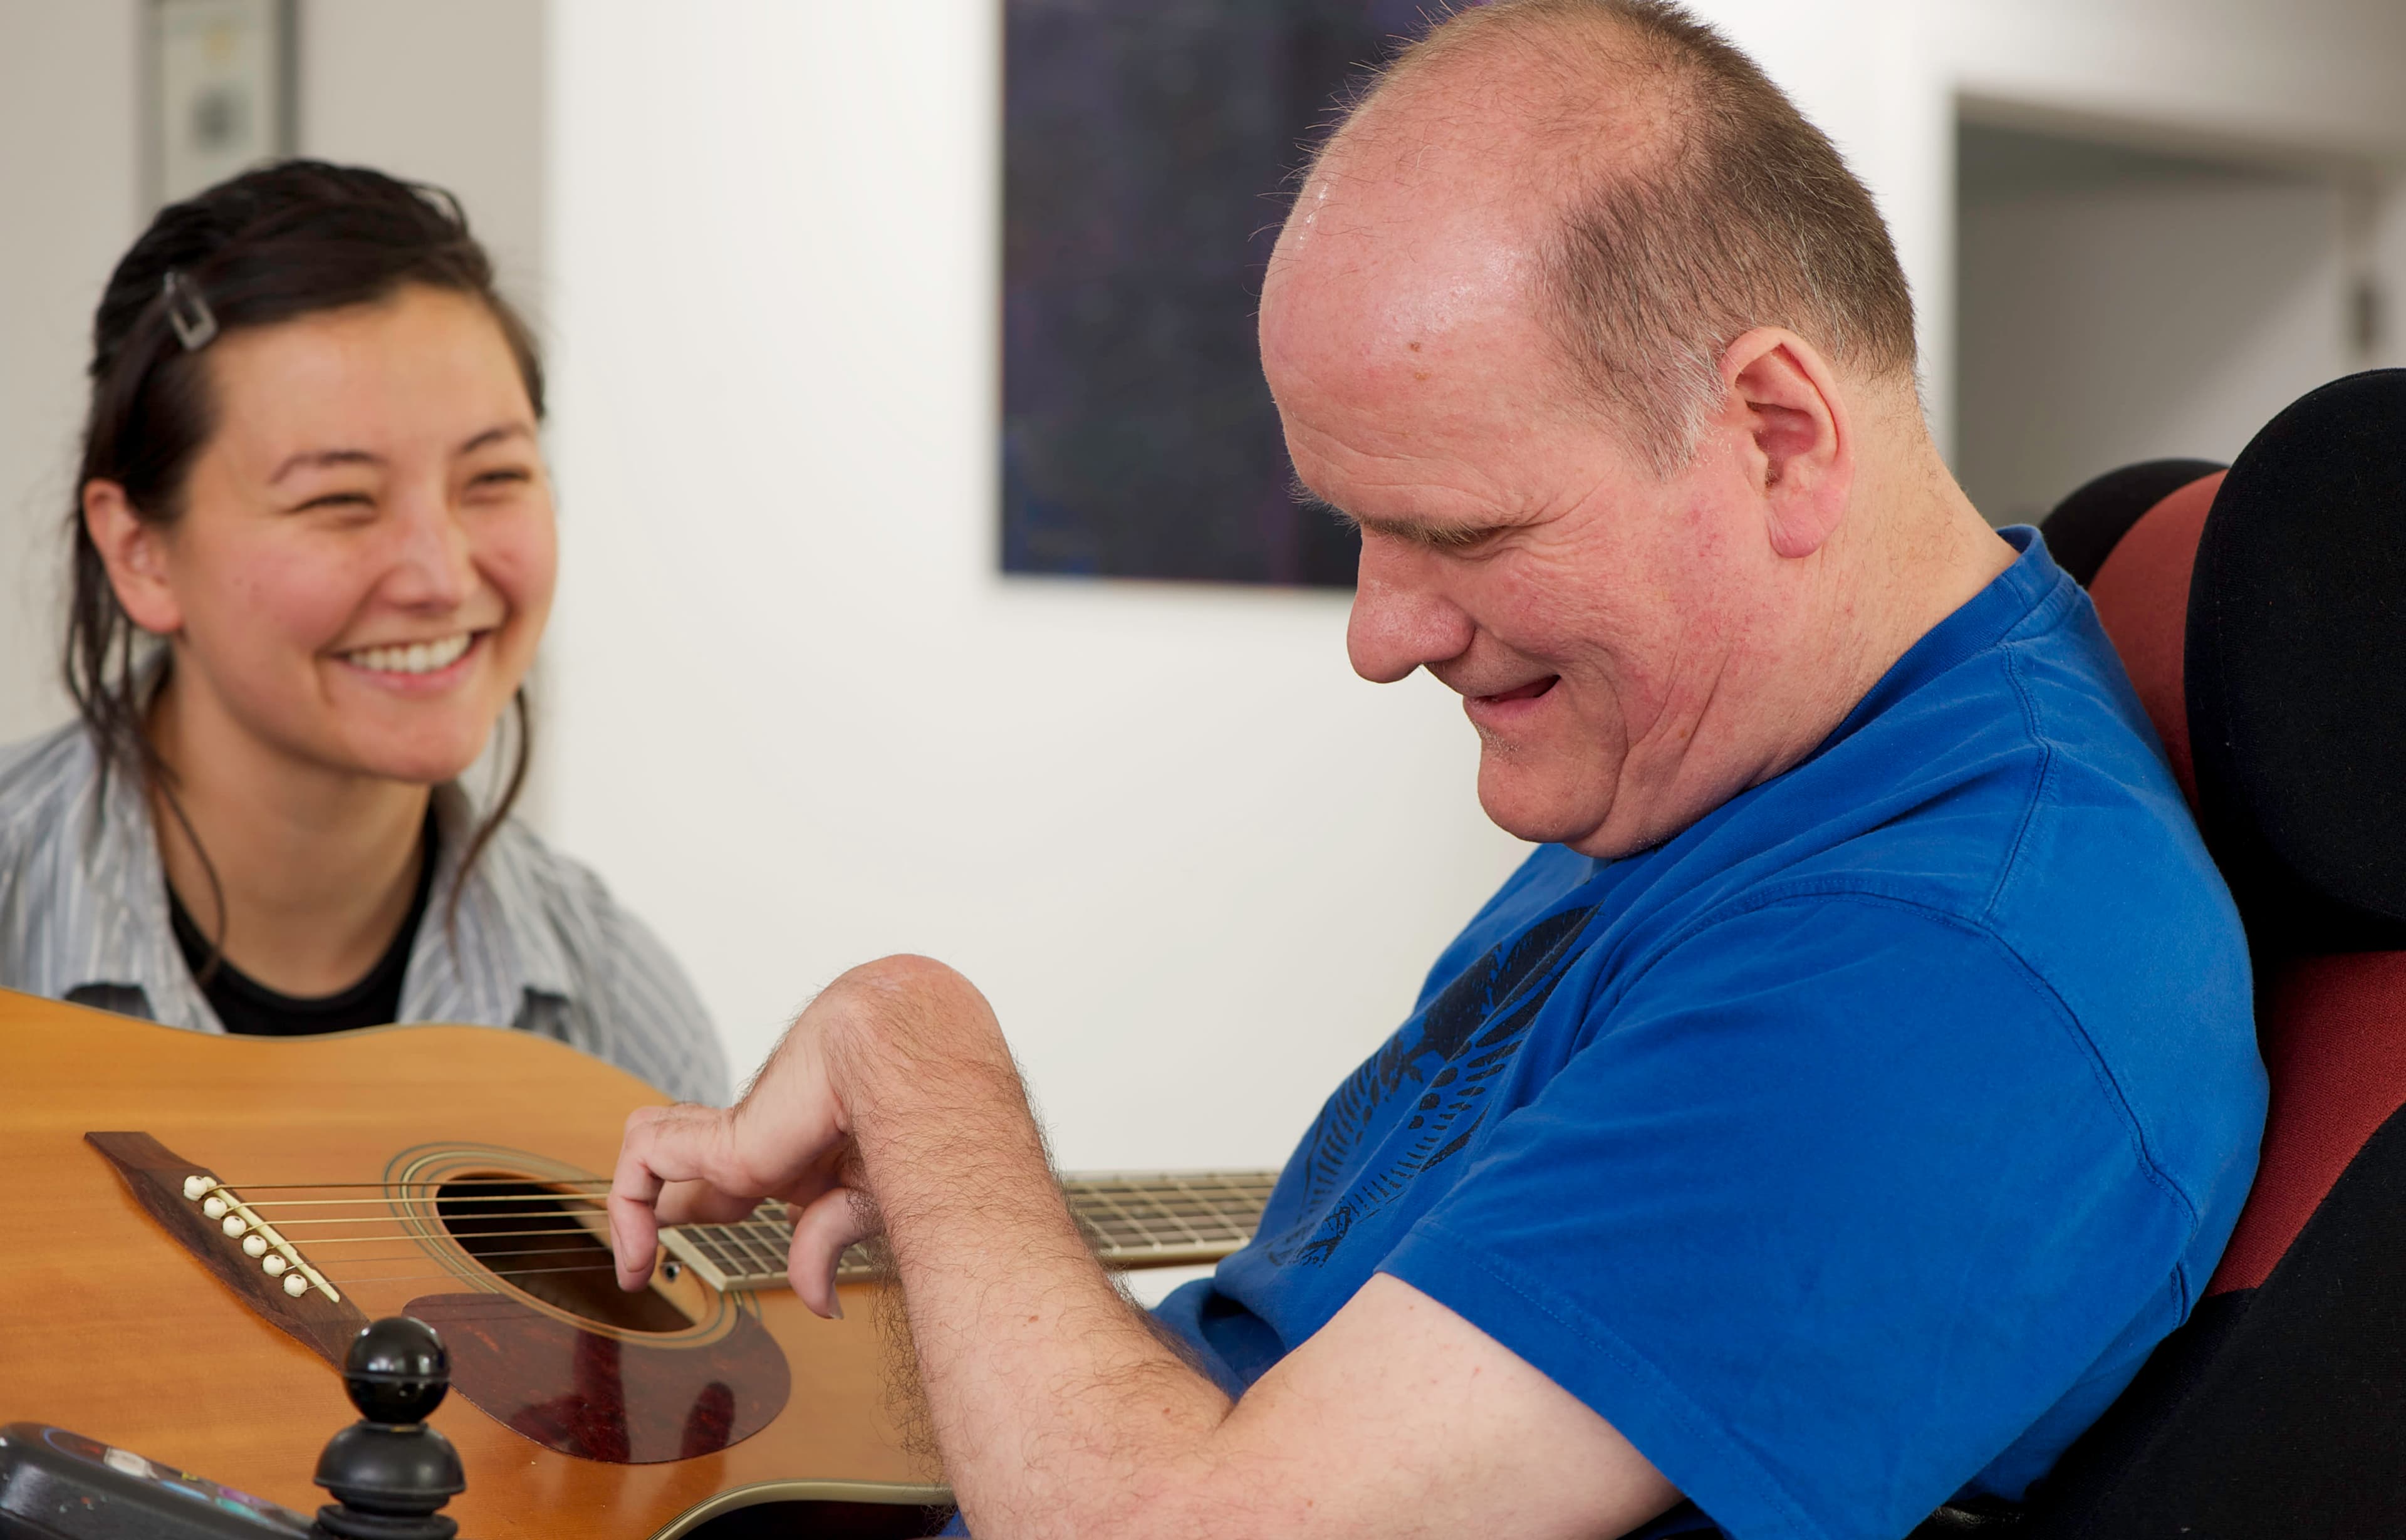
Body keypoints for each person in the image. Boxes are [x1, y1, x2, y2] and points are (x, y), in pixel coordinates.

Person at [606, 3, 2265, 1536]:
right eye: (1357, 528)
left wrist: (915, 1053)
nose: (1378, 635)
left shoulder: (1941, 968)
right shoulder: (1718, 775)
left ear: (1777, 434)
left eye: (1459, 532)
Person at [0, 160, 726, 1107]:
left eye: (495, 479)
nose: (442, 577)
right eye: (340, 500)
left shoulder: (620, 1019)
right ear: (141, 553)